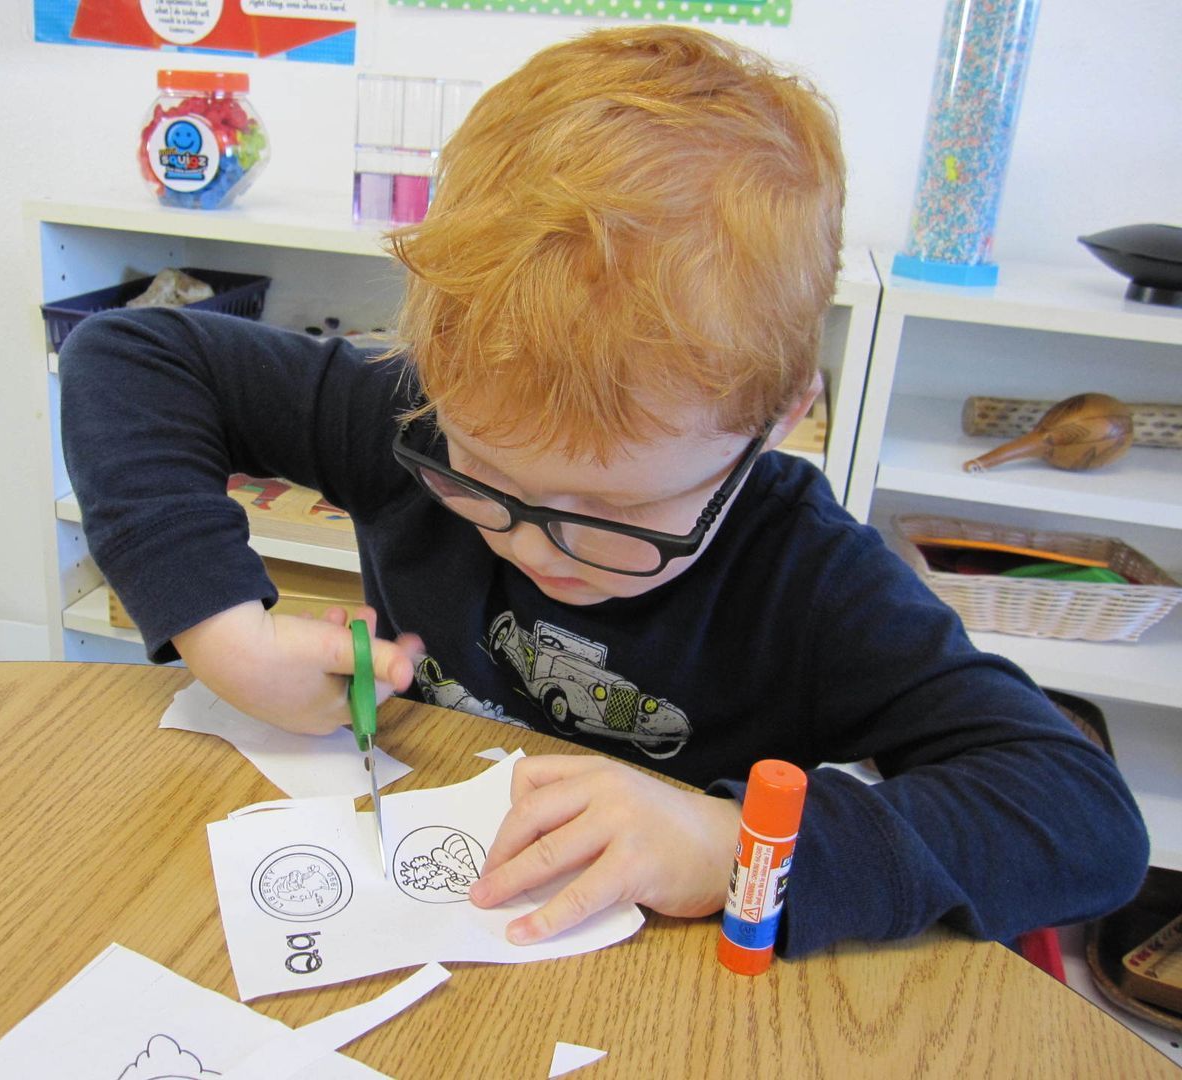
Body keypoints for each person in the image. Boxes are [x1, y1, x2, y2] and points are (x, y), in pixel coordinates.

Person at [61, 26, 1147, 957]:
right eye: (481, 479)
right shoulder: (412, 419)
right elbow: (130, 358)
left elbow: (1082, 821)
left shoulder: (813, 583)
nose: (536, 547)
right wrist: (226, 633)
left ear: (776, 422)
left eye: (617, 515)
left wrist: (732, 849)